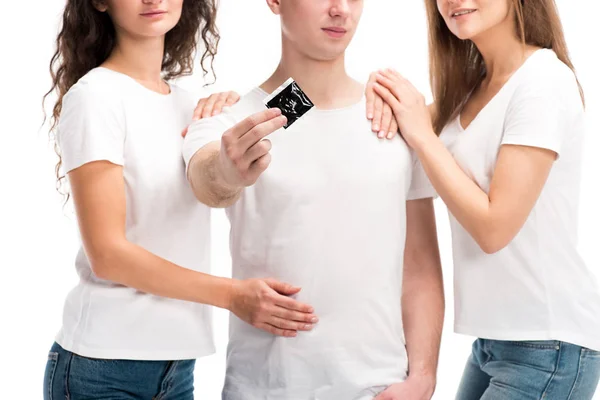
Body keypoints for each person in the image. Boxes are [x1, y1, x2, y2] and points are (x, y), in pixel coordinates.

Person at [42, 0, 315, 398]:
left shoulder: (191, 106)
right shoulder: (95, 97)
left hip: (178, 368)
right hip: (102, 369)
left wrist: (229, 112)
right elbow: (107, 254)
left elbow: (305, 101)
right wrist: (233, 295)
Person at [183, 0, 444, 399]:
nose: (340, 9)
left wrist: (422, 378)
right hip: (265, 390)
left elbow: (420, 262)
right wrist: (227, 169)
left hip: (378, 389)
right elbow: (209, 181)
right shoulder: (231, 121)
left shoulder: (397, 119)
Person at [369, 0, 600, 398]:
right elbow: (361, 122)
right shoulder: (469, 91)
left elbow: (494, 229)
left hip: (550, 346)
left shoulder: (543, 81)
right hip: (494, 342)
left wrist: (422, 133)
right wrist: (250, 104)